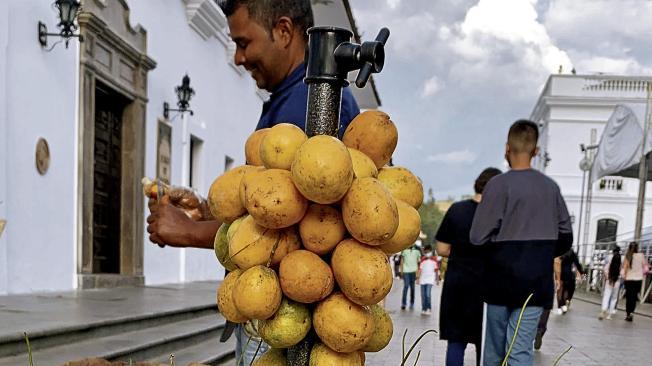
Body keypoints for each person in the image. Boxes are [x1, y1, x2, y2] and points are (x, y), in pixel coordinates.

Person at [146, 1, 361, 364]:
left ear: (283, 31)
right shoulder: (289, 99)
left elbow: (295, 228)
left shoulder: (305, 108)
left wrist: (190, 233)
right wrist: (207, 212)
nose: (238, 58)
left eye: (243, 43)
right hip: (274, 310)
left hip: (288, 319)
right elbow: (269, 204)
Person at [470, 120, 573, 366]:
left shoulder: (497, 186)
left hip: (499, 281)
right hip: (536, 281)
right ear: (536, 151)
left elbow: (477, 237)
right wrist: (542, 253)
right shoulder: (551, 188)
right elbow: (566, 237)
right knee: (520, 351)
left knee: (494, 352)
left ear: (507, 148)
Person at [436, 167, 502, 366]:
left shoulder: (457, 209)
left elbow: (441, 248)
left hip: (458, 285)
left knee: (456, 341)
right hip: (488, 288)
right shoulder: (498, 217)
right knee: (486, 344)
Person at [534, 255, 562, 351]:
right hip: (547, 281)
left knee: (531, 306)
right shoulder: (552, 243)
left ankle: (531, 330)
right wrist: (558, 279)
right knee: (546, 308)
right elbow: (557, 262)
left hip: (531, 280)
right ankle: (540, 330)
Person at [623, 242, 648, 321]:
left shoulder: (628, 256)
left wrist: (624, 277)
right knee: (634, 298)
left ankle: (628, 314)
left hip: (629, 279)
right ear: (637, 248)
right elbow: (646, 266)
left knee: (629, 298)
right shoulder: (641, 255)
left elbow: (625, 268)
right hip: (638, 280)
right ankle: (631, 313)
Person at [557, 248, 585, 314]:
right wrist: (582, 272)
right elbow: (577, 263)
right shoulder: (571, 252)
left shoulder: (559, 250)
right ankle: (564, 304)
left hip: (559, 273)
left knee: (560, 290)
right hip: (569, 274)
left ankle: (560, 306)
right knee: (566, 290)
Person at [599, 246, 622, 320]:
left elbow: (605, 270)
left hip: (609, 280)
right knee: (614, 298)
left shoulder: (609, 258)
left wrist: (608, 278)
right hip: (617, 281)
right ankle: (609, 315)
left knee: (606, 296)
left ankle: (604, 309)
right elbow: (623, 273)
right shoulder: (621, 259)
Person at [417, 245, 439, 316]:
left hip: (430, 280)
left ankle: (429, 308)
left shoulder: (434, 259)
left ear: (430, 251)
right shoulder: (423, 259)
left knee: (427, 294)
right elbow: (420, 270)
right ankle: (424, 308)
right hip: (423, 279)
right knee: (423, 295)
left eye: (428, 252)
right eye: (425, 252)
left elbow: (436, 270)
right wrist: (418, 278)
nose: (427, 253)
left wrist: (437, 279)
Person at [400, 244, 422, 310]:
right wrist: (401, 271)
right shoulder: (404, 251)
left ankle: (412, 303)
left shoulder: (417, 251)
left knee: (412, 288)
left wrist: (418, 274)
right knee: (406, 286)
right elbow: (402, 261)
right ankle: (403, 304)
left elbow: (419, 263)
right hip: (406, 271)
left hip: (414, 272)